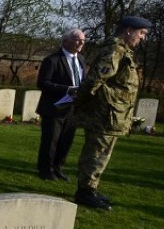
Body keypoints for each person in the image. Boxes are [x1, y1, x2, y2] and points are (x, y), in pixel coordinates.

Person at [73, 15, 151, 211]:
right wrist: (80, 102)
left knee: (102, 154)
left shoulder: (123, 51)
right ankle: (85, 192)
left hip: (113, 115)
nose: (142, 38)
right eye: (140, 33)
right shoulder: (115, 50)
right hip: (104, 115)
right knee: (96, 153)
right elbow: (95, 80)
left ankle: (91, 189)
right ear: (128, 31)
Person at [35, 29, 86, 181]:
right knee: (51, 141)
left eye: (83, 40)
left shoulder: (81, 60)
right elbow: (43, 83)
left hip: (72, 109)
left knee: (66, 141)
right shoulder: (52, 60)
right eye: (78, 39)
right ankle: (46, 169)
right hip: (54, 108)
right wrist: (67, 90)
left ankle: (58, 167)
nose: (81, 43)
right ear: (66, 41)